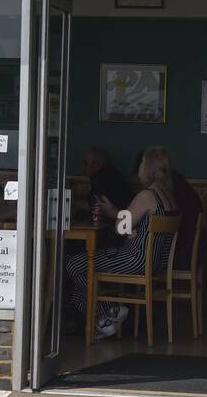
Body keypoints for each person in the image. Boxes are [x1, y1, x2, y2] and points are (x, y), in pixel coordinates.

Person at [65, 145, 177, 339]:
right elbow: (131, 226)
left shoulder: (146, 195)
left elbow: (120, 227)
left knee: (74, 264)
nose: (139, 167)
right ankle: (102, 322)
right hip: (156, 261)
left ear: (148, 167)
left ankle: (113, 310)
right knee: (81, 284)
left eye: (142, 163)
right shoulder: (168, 196)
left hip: (135, 258)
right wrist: (128, 225)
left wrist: (113, 213)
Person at [83, 146, 131, 214]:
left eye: (85, 163)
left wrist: (75, 204)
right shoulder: (109, 174)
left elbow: (95, 206)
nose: (83, 167)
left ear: (97, 164)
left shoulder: (104, 178)